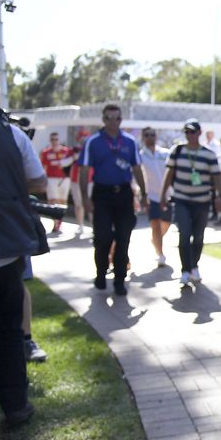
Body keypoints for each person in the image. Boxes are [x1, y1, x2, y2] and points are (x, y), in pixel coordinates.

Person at [0, 106, 48, 427]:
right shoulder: (10, 133)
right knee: (8, 329)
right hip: (4, 249)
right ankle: (15, 406)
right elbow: (39, 182)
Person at [79, 104, 147, 296]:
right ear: (103, 120)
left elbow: (137, 169)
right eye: (108, 118)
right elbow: (84, 171)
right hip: (102, 194)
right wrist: (85, 198)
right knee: (102, 238)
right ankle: (101, 273)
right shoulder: (93, 142)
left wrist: (144, 195)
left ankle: (119, 280)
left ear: (121, 120)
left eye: (116, 118)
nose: (112, 122)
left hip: (124, 194)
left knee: (123, 238)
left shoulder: (130, 141)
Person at [160, 118, 221, 285]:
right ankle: (185, 270)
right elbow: (169, 174)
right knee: (184, 234)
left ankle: (194, 265)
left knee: (199, 237)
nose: (189, 135)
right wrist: (162, 195)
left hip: (202, 201)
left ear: (199, 133)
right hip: (182, 200)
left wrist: (220, 197)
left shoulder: (208, 154)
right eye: (186, 132)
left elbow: (217, 177)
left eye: (192, 132)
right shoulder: (178, 151)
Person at [139, 127, 173, 267]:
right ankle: (160, 254)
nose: (150, 137)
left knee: (166, 223)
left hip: (167, 195)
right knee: (156, 225)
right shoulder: (140, 155)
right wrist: (141, 195)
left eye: (152, 135)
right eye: (146, 135)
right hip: (151, 196)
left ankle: (156, 240)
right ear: (143, 137)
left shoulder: (165, 153)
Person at [39, 130, 73, 234]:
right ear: (50, 140)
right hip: (51, 179)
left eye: (56, 139)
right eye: (53, 139)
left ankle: (60, 222)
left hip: (64, 179)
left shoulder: (66, 151)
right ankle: (55, 223)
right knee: (53, 201)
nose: (55, 141)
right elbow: (43, 167)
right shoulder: (46, 152)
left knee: (62, 201)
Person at [68, 130, 90, 235]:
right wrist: (74, 157)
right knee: (78, 204)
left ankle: (94, 225)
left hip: (89, 180)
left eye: (85, 138)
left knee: (91, 203)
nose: (83, 140)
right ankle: (80, 225)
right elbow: (64, 162)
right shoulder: (73, 151)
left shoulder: (91, 150)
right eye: (82, 138)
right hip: (75, 180)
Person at [204, 129, 221, 222]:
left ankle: (216, 214)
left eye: (209, 134)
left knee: (215, 194)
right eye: (207, 134)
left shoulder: (216, 145)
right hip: (207, 172)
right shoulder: (205, 144)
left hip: (213, 172)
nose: (208, 136)